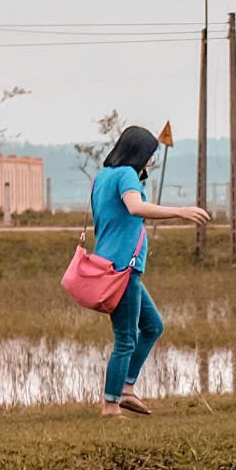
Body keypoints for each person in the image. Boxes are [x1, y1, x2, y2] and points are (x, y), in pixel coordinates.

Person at [88, 126, 210, 418]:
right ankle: (110, 406)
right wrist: (180, 211)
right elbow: (134, 207)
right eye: (150, 155)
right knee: (126, 338)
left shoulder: (103, 176)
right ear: (139, 153)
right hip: (122, 268)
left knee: (153, 326)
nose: (151, 161)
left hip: (113, 265)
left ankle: (126, 390)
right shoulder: (126, 174)